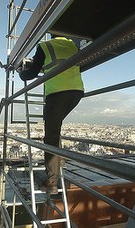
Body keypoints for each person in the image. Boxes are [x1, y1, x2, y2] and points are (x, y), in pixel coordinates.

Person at [18, 35, 84, 194]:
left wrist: (21, 72)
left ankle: (52, 181)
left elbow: (31, 73)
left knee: (51, 136)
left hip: (57, 93)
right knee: (55, 129)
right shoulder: (73, 46)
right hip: (76, 92)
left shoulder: (44, 46)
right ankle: (58, 160)